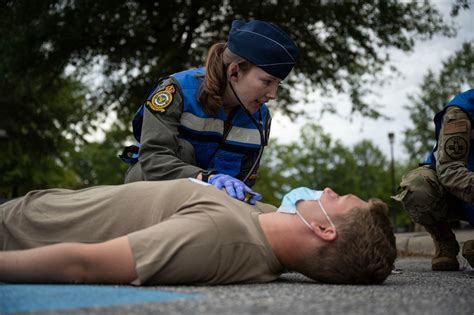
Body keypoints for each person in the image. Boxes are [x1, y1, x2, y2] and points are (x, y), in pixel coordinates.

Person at [0, 178, 396, 285]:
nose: (328, 190)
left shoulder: (219, 235)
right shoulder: (263, 216)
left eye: (339, 197)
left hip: (18, 228)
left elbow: (82, 265)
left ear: (324, 229)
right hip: (35, 207)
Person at [119, 19, 299, 205]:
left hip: (208, 209)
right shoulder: (177, 91)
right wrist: (205, 178)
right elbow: (153, 159)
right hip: (149, 196)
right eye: (267, 82)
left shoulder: (260, 118)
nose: (273, 95)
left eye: (278, 84)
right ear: (234, 72)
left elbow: (245, 180)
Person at [393, 89, 474, 271]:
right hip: (451, 190)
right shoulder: (462, 111)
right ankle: (444, 241)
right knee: (417, 188)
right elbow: (450, 171)